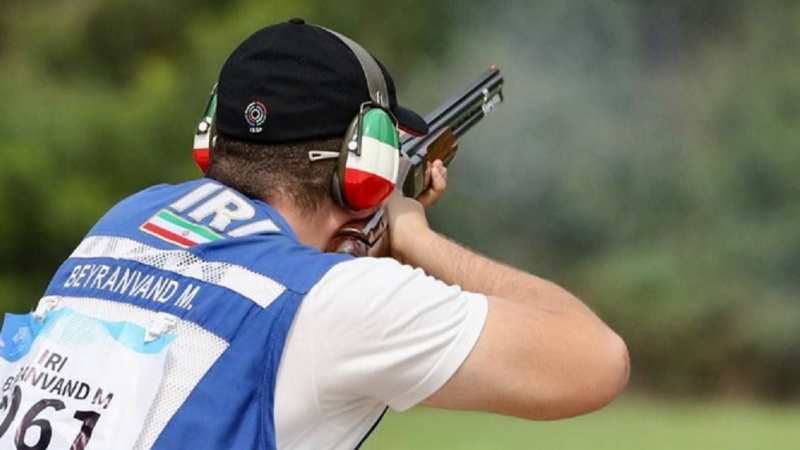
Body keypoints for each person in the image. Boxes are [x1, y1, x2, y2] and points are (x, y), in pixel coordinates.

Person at [24, 18, 628, 449]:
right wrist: (414, 236)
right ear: (365, 172)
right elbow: (596, 362)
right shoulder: (333, 303)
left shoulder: (125, 223)